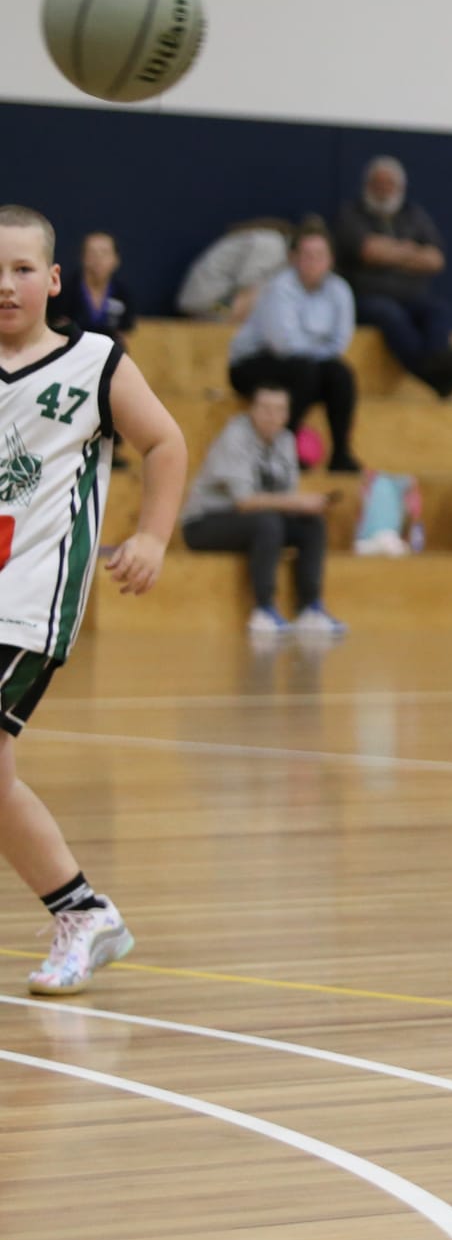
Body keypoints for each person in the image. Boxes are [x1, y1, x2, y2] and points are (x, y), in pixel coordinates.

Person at [0, 204, 188, 994]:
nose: (4, 284)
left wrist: (150, 536)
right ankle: (83, 910)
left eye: (19, 269)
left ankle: (82, 910)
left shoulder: (95, 361)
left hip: (34, 595)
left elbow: (166, 442)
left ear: (51, 279)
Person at [181, 384, 345, 636]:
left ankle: (310, 609)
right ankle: (263, 609)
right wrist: (297, 502)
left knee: (311, 525)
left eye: (279, 409)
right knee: (267, 522)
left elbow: (286, 497)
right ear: (252, 411)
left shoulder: (286, 441)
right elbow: (244, 501)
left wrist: (305, 505)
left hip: (256, 522)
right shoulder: (235, 436)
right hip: (204, 522)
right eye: (265, 408)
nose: (271, 416)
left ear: (287, 415)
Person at [334, 156, 452, 398]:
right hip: (368, 295)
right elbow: (369, 251)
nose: (383, 190)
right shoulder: (352, 214)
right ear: (367, 185)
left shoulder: (413, 215)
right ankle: (430, 372)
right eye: (378, 184)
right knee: (390, 315)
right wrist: (410, 251)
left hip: (411, 296)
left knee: (439, 311)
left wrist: (391, 250)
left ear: (401, 188)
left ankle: (436, 364)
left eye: (389, 184)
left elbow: (436, 259)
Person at [227, 222, 361, 473]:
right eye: (306, 256)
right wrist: (317, 351)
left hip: (304, 365)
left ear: (330, 260)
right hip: (252, 363)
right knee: (306, 371)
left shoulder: (339, 291)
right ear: (293, 258)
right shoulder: (279, 288)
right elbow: (284, 345)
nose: (312, 262)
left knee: (340, 374)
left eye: (319, 256)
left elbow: (339, 343)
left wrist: (317, 355)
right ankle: (280, 450)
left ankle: (341, 453)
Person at [177, 217, 293, 321]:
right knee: (262, 292)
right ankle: (220, 333)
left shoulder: (271, 241)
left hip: (210, 304)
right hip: (209, 306)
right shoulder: (272, 243)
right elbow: (247, 284)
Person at [47, 231, 136, 344]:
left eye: (104, 253)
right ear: (82, 257)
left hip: (109, 355)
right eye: (92, 252)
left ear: (116, 259)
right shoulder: (63, 291)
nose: (98, 259)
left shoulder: (123, 295)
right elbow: (57, 328)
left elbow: (124, 334)